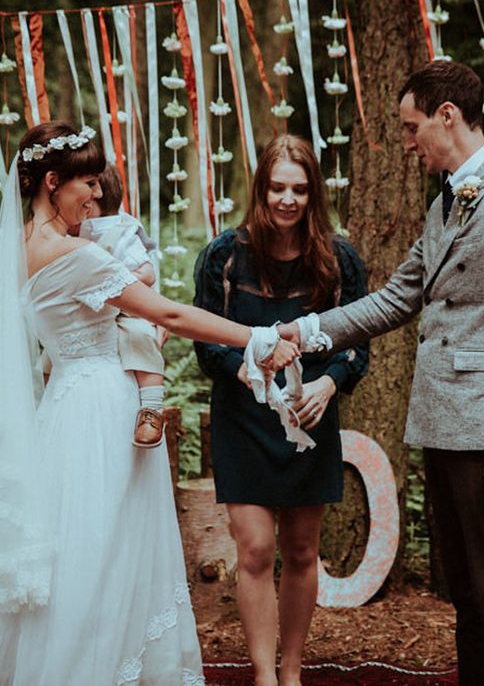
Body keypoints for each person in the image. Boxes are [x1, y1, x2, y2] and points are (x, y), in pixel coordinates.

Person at [280, 61, 484, 685]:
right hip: (443, 423)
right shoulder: (447, 202)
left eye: (412, 127)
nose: (407, 142)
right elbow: (395, 299)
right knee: (465, 591)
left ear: (447, 116)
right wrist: (302, 333)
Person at [0, 121, 299, 685]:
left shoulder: (17, 251)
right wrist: (257, 338)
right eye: (87, 182)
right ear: (50, 181)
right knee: (112, 551)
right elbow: (170, 314)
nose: (96, 194)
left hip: (62, 411)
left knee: (77, 550)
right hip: (104, 412)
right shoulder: (75, 257)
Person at [193, 134, 368, 686]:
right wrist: (239, 367)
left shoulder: (339, 259)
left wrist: (331, 384)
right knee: (256, 549)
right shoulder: (224, 255)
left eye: (298, 189)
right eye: (277, 188)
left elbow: (358, 342)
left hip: (308, 419)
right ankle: (264, 676)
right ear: (261, 190)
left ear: (313, 194)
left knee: (300, 548)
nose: (287, 200)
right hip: (243, 419)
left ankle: (291, 672)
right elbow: (205, 341)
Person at [46, 162, 168, 447]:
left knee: (141, 337)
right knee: (51, 354)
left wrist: (117, 283)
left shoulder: (122, 230)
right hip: (90, 314)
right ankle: (49, 395)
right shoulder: (73, 232)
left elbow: (147, 272)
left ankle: (151, 409)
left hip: (127, 308)